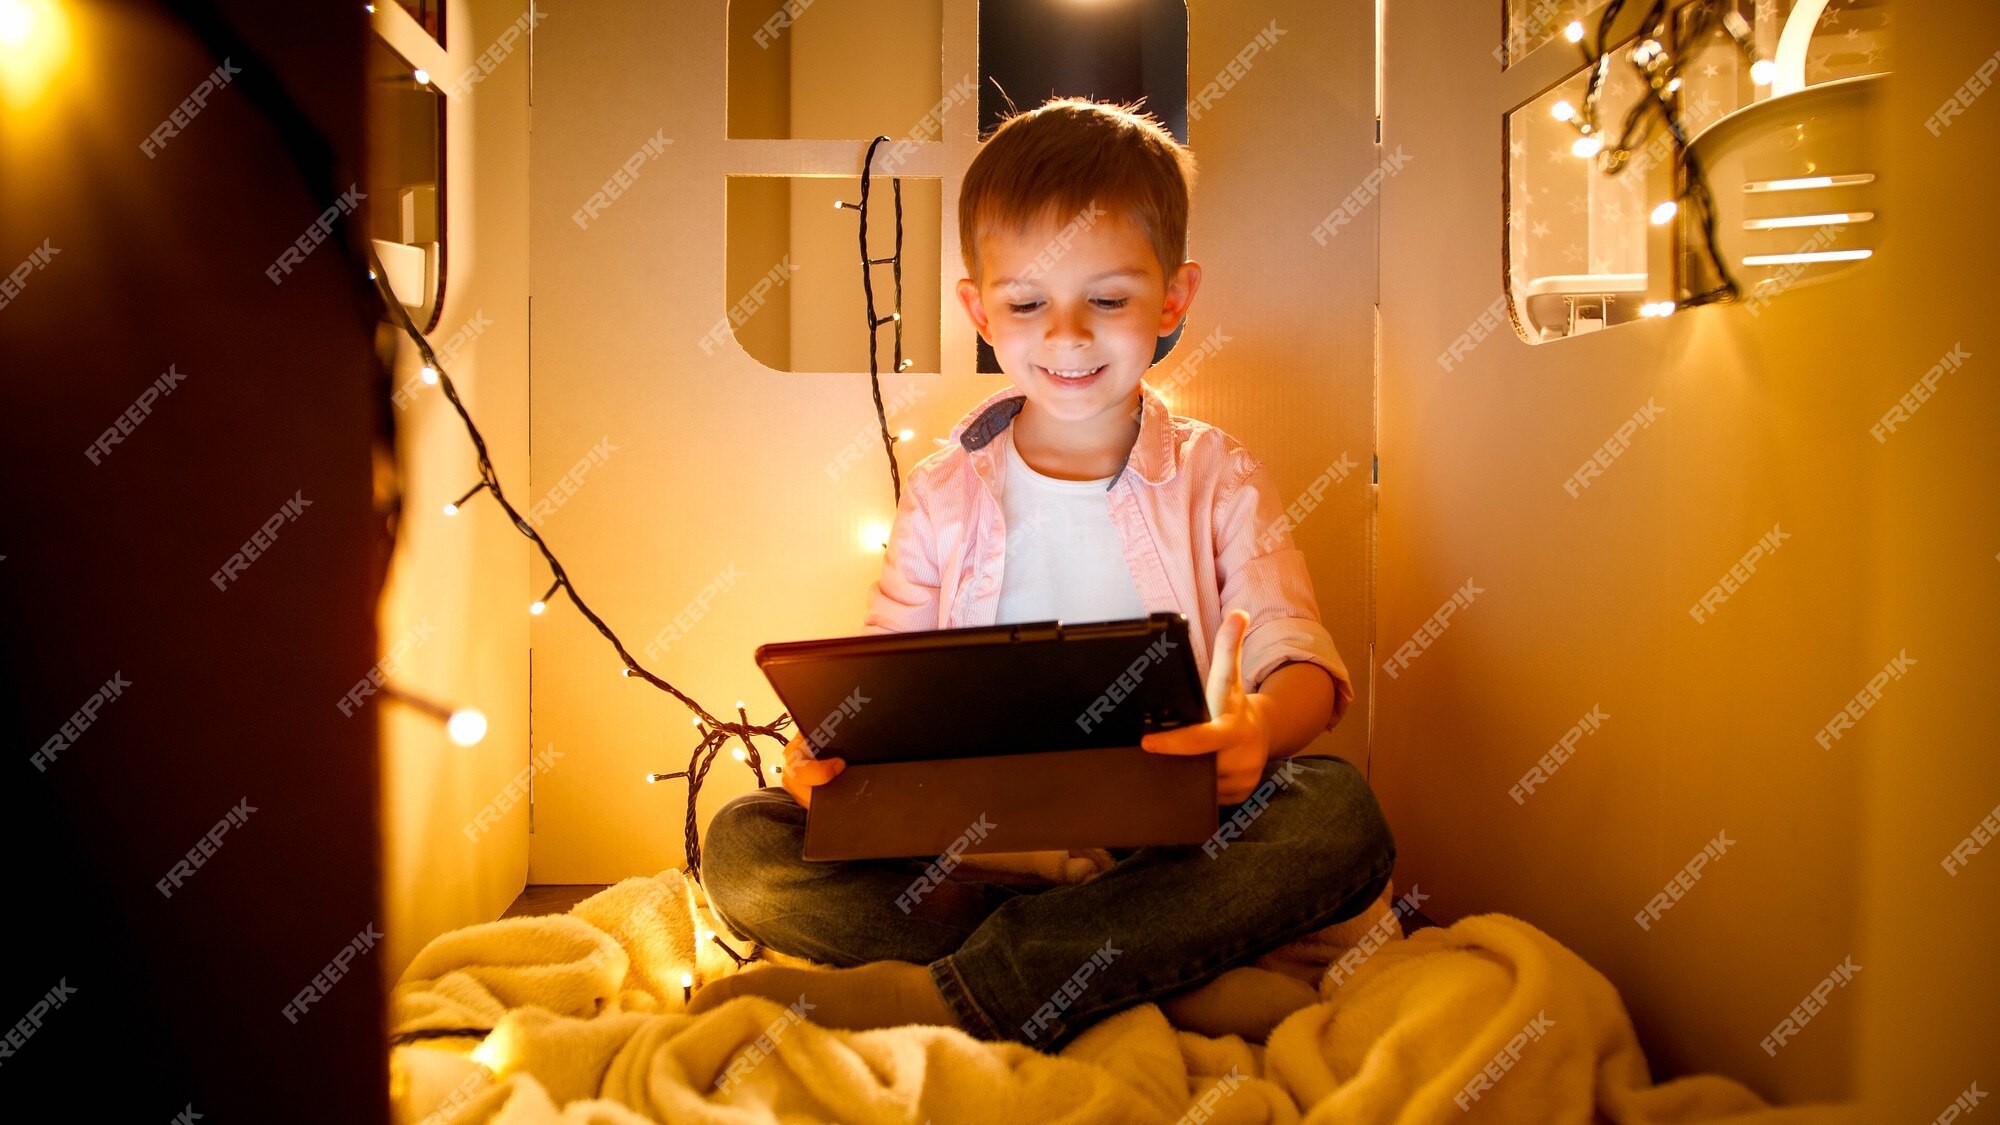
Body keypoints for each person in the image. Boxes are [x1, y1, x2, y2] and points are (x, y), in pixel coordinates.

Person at [693, 98, 1395, 1052]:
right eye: (1027, 303)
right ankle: (1144, 978)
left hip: (1173, 843)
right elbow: (884, 685)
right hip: (986, 856)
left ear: (1174, 299)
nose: (1066, 336)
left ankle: (970, 991)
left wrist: (1257, 730)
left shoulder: (1217, 474)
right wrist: (835, 769)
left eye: (1107, 300)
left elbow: (1299, 660)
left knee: (1338, 816)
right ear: (980, 309)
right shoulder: (944, 494)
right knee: (748, 842)